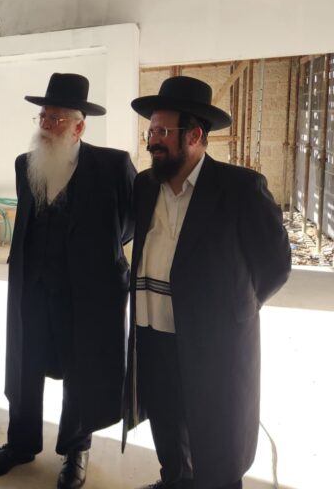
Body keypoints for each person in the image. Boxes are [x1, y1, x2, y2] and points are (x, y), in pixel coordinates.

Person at [122, 76, 291, 489]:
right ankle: (175, 479)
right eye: (151, 132)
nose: (153, 141)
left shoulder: (240, 189)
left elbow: (275, 264)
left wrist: (233, 310)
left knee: (217, 436)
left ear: (195, 136)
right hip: (152, 334)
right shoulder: (145, 186)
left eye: (163, 132)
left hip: (213, 343)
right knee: (166, 421)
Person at [0, 73, 136, 489]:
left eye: (56, 119)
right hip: (33, 289)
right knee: (25, 366)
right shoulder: (24, 164)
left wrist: (91, 255)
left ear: (79, 127)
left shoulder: (113, 165)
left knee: (81, 371)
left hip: (86, 294)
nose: (46, 126)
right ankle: (21, 443)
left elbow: (129, 224)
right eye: (44, 117)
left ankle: (75, 449)